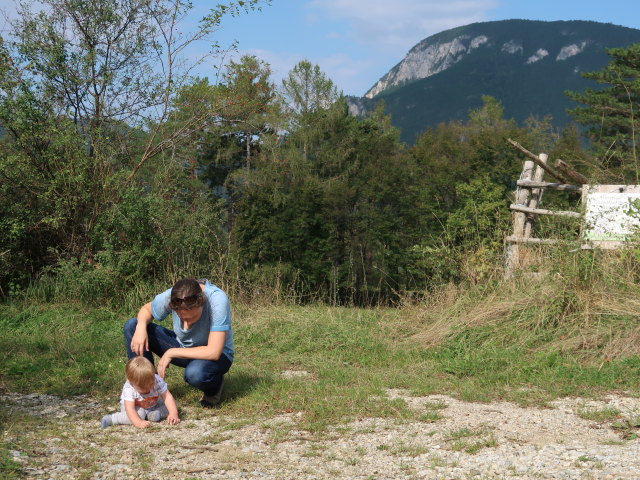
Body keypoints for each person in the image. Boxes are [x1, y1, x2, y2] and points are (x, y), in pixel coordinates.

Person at [124, 278, 234, 407]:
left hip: (217, 356)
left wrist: (171, 352)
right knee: (132, 325)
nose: (187, 324)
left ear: (201, 301)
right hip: (183, 348)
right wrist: (141, 327)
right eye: (182, 318)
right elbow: (146, 310)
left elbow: (214, 351)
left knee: (195, 373)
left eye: (192, 318)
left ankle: (214, 388)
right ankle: (148, 390)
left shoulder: (217, 300)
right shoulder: (173, 296)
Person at [101, 356, 180, 428]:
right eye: (143, 388)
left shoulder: (156, 379)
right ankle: (112, 419)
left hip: (152, 403)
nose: (148, 389)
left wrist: (173, 413)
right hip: (134, 408)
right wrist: (138, 422)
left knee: (172, 404)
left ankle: (152, 414)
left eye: (151, 384)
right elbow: (130, 409)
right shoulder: (129, 388)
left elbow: (167, 396)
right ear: (132, 382)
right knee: (140, 414)